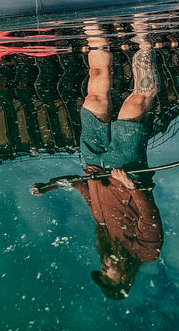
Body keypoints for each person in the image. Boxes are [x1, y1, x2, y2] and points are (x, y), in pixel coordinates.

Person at [32, 21, 164, 299]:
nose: (104, 269)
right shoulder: (146, 253)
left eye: (101, 273)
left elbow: (82, 186)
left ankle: (94, 32)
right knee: (137, 101)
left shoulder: (102, 232)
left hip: (92, 160)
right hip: (125, 167)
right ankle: (144, 37)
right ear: (125, 278)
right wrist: (132, 187)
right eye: (109, 277)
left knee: (93, 95)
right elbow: (150, 217)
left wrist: (51, 186)